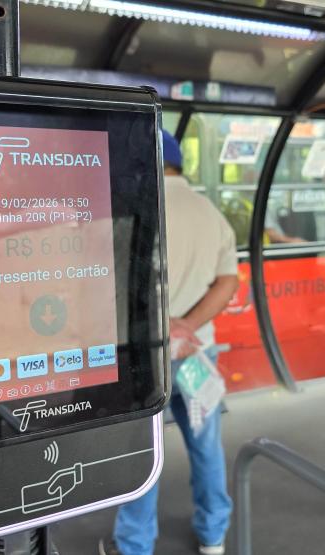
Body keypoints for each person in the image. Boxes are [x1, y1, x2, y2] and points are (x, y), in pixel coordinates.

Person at [100, 130, 238, 555]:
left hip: (146, 358)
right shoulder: (209, 211)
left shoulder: (132, 209)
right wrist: (188, 325)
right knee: (206, 445)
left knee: (142, 452)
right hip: (199, 352)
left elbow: (117, 286)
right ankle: (213, 535)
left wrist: (165, 326)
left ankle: (136, 544)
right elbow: (227, 282)